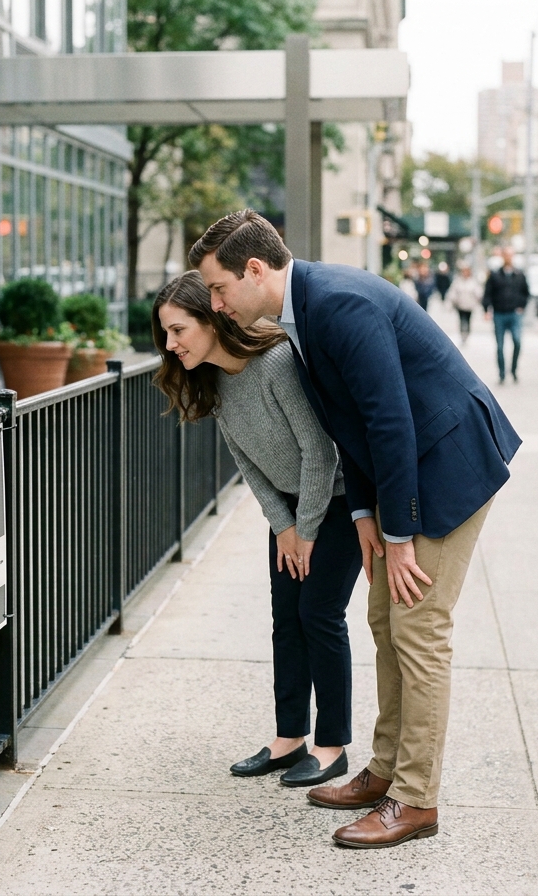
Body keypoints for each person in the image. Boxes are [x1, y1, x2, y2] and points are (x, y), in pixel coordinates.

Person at [190, 210, 520, 850]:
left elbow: (391, 421)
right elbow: (354, 422)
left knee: (419, 627)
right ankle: (385, 770)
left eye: (219, 288)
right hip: (405, 475)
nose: (215, 303)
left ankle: (414, 800)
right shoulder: (303, 310)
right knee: (382, 618)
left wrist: (399, 535)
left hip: (449, 464)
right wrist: (366, 516)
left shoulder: (336, 305)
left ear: (254, 271)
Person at [151, 271, 364, 789]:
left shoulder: (276, 363)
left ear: (211, 319)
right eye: (166, 336)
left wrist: (305, 529)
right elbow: (247, 463)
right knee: (286, 619)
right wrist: (283, 525)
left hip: (336, 504)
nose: (171, 345)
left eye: (178, 330)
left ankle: (331, 744)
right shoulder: (214, 379)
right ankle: (289, 738)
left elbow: (320, 451)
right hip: (292, 515)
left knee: (319, 614)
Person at [481, 250, 530, 384]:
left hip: (514, 313)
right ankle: (502, 373)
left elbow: (526, 292)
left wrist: (522, 306)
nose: (508, 257)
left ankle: (513, 370)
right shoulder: (495, 275)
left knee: (517, 341)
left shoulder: (519, 275)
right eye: (506, 255)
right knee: (500, 346)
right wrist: (486, 309)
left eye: (510, 255)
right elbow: (487, 293)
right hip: (499, 313)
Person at [445, 262, 481, 345]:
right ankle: (462, 334)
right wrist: (450, 302)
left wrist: (478, 301)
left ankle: (467, 333)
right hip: (460, 305)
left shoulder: (473, 281)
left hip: (469, 306)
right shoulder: (457, 281)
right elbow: (452, 292)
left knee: (468, 320)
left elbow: (478, 293)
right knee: (462, 320)